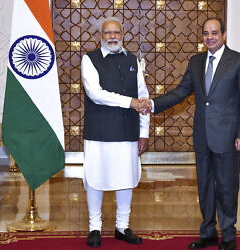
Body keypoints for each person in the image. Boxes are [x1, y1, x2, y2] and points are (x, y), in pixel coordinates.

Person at [142, 18, 240, 250]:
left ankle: (228, 233)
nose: (210, 37)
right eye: (206, 33)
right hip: (203, 135)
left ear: (224, 34)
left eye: (214, 33)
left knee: (226, 185)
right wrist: (153, 104)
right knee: (204, 185)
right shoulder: (196, 61)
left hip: (228, 135)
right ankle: (208, 231)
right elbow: (180, 92)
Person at [81, 16, 150, 247]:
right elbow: (95, 93)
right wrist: (130, 102)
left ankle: (122, 226)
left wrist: (144, 132)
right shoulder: (89, 60)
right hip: (99, 131)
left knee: (125, 179)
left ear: (123, 35)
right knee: (95, 178)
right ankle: (94, 227)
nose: (113, 37)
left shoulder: (133, 60)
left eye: (117, 33)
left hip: (127, 131)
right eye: (108, 33)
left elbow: (144, 97)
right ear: (100, 36)